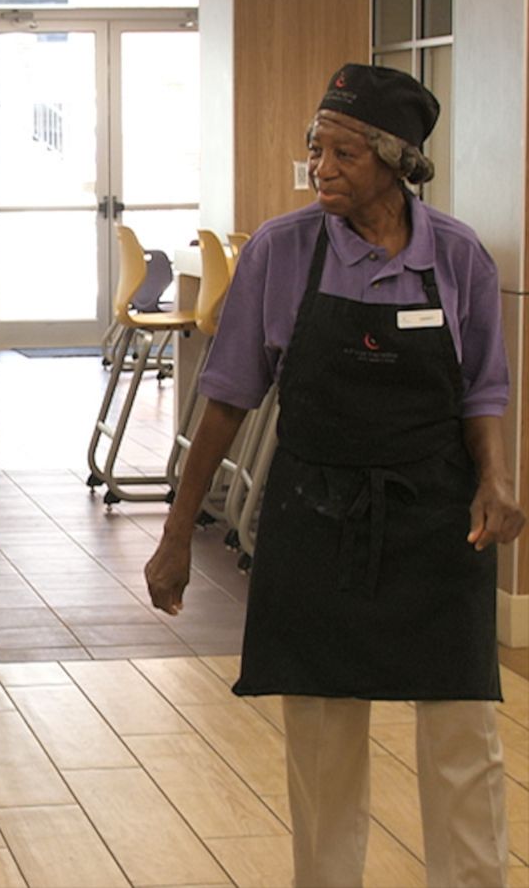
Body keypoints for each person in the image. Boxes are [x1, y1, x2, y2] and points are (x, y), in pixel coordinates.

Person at [145, 64, 521, 887]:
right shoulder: (282, 251)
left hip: (437, 519)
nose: (321, 168)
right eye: (317, 148)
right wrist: (175, 535)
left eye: (345, 153)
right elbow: (225, 400)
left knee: (463, 735)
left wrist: (496, 479)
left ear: (398, 161)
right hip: (314, 515)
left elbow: (485, 388)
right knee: (321, 743)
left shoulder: (458, 256)